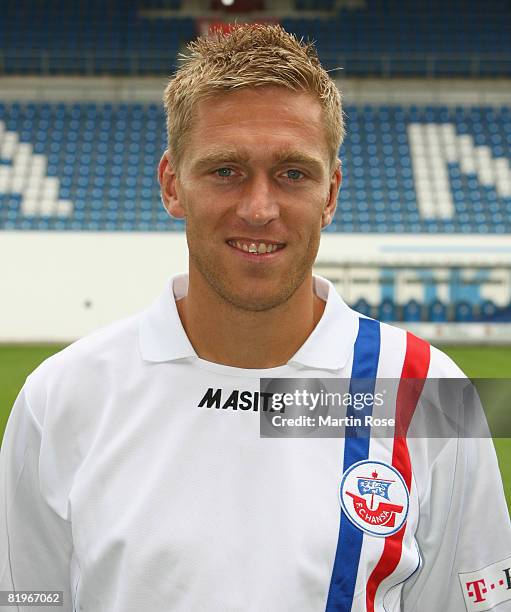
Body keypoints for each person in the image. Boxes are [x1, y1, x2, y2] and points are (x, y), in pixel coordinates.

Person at [1, 24, 510, 612]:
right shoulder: (62, 397)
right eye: (226, 170)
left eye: (293, 173)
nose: (260, 208)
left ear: (332, 192)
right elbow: (27, 599)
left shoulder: (427, 392)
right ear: (172, 185)